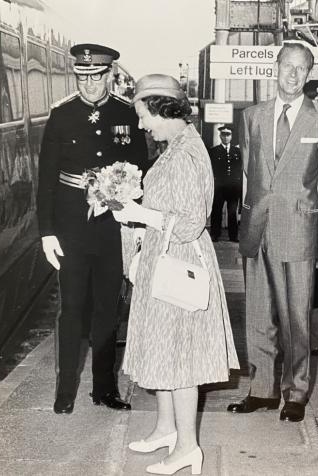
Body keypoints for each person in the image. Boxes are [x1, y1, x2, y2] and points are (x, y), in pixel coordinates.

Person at [111, 74, 239, 475]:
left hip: (179, 262)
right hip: (163, 257)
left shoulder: (184, 154)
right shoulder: (175, 146)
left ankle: (187, 447)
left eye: (143, 115)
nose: (141, 125)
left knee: (181, 357)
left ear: (163, 110)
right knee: (163, 348)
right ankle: (167, 428)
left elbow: (189, 224)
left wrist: (139, 214)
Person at [227, 42, 318, 423]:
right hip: (258, 227)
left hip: (297, 228)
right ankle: (261, 389)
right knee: (258, 314)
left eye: (301, 69)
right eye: (287, 66)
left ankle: (296, 391)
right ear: (275, 68)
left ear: (309, 74)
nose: (293, 75)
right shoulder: (253, 117)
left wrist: (306, 209)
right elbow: (249, 171)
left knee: (295, 318)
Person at [37, 43, 148, 414]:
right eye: (82, 77)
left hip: (111, 227)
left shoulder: (126, 113)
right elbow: (46, 181)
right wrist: (47, 232)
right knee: (71, 309)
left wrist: (137, 224)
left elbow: (140, 170)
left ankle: (104, 388)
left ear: (109, 74)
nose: (88, 84)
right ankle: (64, 390)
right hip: (70, 227)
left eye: (95, 77)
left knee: (107, 308)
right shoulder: (61, 115)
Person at [209, 125, 242, 242]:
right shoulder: (213, 151)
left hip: (233, 188)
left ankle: (233, 236)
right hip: (219, 187)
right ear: (220, 136)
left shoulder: (237, 152)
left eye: (228, 134)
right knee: (216, 211)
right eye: (224, 134)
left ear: (231, 136)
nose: (226, 137)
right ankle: (215, 234)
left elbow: (240, 169)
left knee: (232, 212)